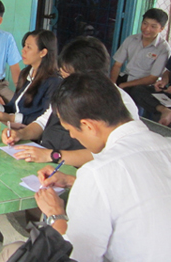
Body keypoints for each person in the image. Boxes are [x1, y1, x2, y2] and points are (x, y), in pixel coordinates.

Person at [33, 72, 171, 261]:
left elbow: (76, 256)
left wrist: (55, 216)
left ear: (88, 126)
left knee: (16, 251)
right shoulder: (166, 144)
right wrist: (75, 181)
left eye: (71, 131)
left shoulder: (97, 173)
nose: (72, 137)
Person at [2, 37, 139, 167]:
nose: (64, 82)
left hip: (74, 168)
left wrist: (52, 155)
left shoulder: (121, 105)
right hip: (48, 157)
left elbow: (110, 153)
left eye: (68, 77)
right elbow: (44, 121)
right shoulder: (68, 92)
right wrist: (21, 134)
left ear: (88, 77)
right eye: (63, 76)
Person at [0, 29, 61, 126]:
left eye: (29, 47)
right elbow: (14, 106)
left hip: (31, 132)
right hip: (15, 125)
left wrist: (11, 118)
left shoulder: (53, 82)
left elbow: (45, 119)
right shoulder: (26, 73)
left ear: (43, 52)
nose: (23, 50)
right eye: (24, 46)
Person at [110, 8, 171, 91]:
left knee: (137, 93)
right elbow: (117, 65)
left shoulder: (163, 48)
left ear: (161, 29)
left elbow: (152, 78)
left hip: (143, 85)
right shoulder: (131, 39)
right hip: (125, 77)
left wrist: (123, 85)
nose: (147, 29)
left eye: (153, 26)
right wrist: (112, 85)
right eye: (145, 24)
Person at [129, 56, 171, 125]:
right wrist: (164, 81)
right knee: (138, 90)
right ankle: (163, 110)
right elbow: (168, 71)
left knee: (160, 118)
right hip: (167, 93)